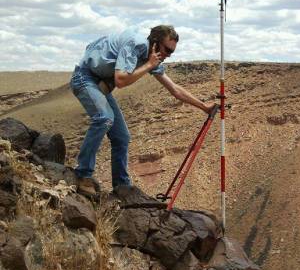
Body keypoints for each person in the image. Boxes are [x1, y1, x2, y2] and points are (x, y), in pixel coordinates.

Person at [69, 25, 216, 197]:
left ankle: (121, 188)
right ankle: (82, 175)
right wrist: (149, 65)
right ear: (154, 43)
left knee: (122, 136)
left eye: (172, 52)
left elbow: (174, 89)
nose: (168, 55)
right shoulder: (135, 44)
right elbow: (121, 80)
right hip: (84, 77)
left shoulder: (152, 59)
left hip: (100, 82)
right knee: (104, 118)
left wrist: (204, 107)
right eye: (167, 50)